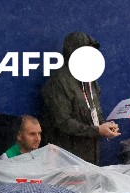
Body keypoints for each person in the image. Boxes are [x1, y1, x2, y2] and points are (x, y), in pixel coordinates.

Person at [40, 32, 120, 165]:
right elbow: (63, 122)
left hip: (90, 157)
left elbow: (95, 114)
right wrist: (97, 130)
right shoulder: (59, 82)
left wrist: (105, 127)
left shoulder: (91, 81)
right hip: (66, 159)